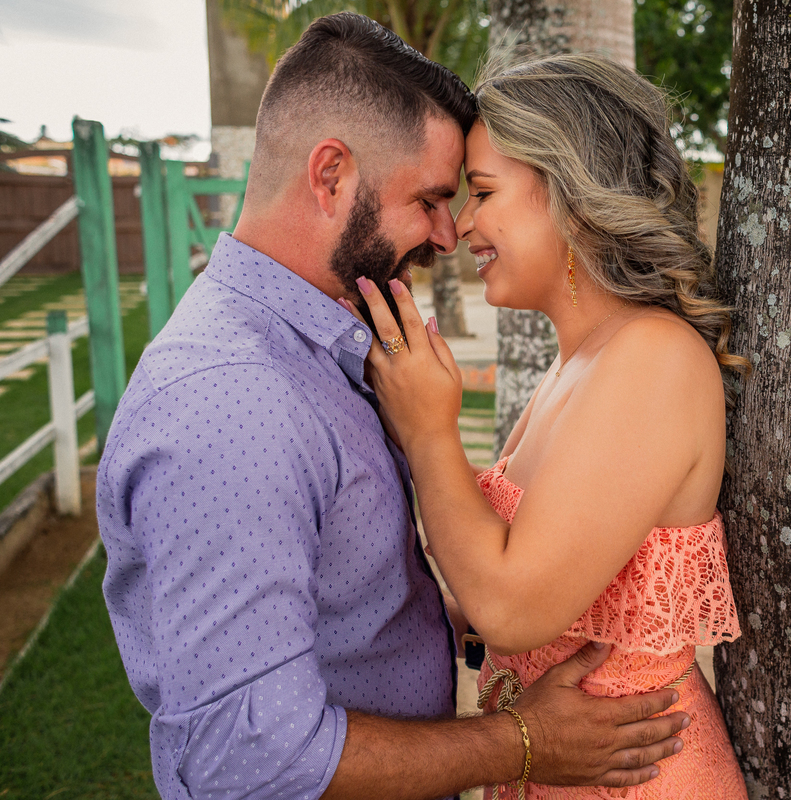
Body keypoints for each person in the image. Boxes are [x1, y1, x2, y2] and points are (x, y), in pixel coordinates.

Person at [96, 15, 688, 800]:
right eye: (434, 199)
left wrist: (437, 612)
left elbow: (338, 582)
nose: (449, 235)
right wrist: (517, 743)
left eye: (471, 197)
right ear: (331, 175)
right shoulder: (230, 400)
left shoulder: (319, 349)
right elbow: (250, 757)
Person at [345, 53, 751, 799]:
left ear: (570, 198)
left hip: (638, 780)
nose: (461, 226)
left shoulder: (652, 359)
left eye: (485, 193)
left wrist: (430, 432)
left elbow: (512, 606)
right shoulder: (580, 364)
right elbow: (502, 600)